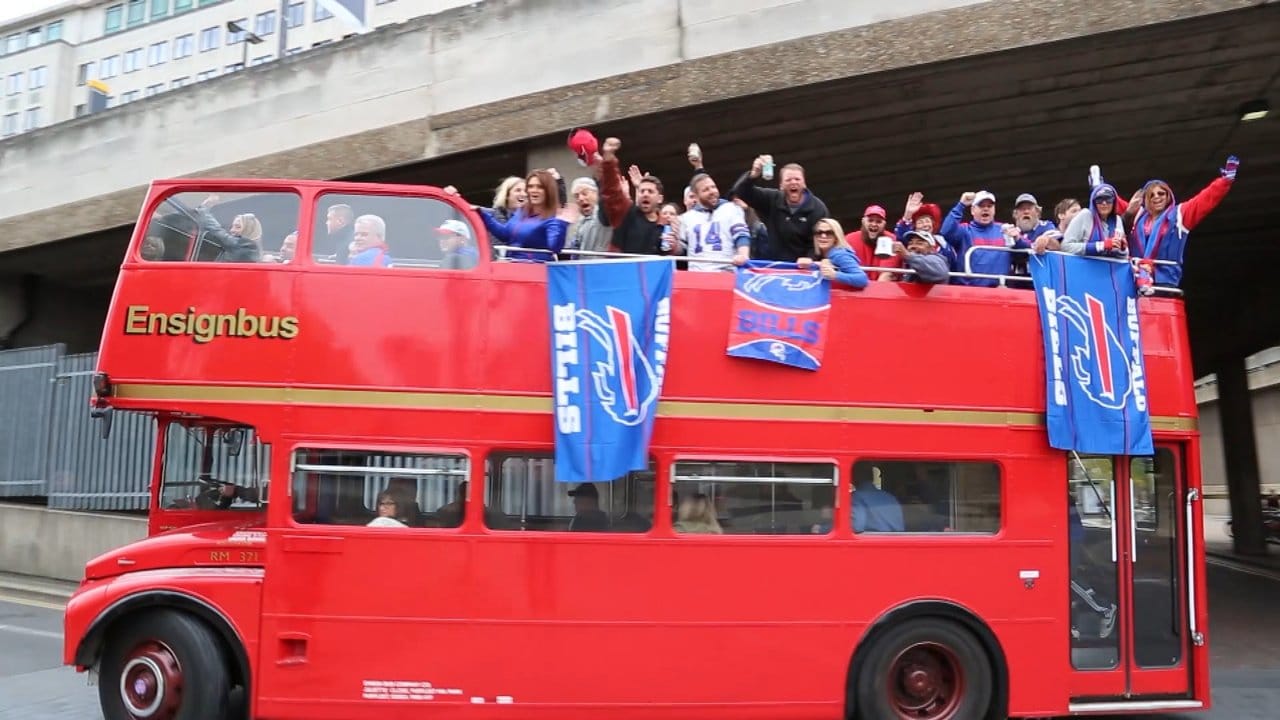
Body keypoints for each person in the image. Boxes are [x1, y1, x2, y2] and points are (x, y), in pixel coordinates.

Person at [1124, 155, 1239, 288]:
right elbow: (1110, 207)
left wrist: (1224, 182)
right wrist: (1100, 187)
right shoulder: (1137, 216)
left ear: (1168, 196)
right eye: (1151, 195)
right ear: (1146, 201)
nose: (1156, 197)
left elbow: (1204, 200)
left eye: (1161, 193)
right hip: (1135, 282)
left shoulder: (1179, 215)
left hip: (1165, 281)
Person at [479, 170, 568, 262]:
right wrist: (481, 214)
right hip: (511, 266)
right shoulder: (521, 211)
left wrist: (562, 222)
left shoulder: (551, 217)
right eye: (530, 186)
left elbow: (555, 247)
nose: (534, 190)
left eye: (540, 187)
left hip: (535, 270)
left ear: (548, 191)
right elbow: (505, 235)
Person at [796, 218, 868, 289]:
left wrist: (834, 275)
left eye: (829, 233)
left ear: (836, 237)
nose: (823, 236)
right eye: (819, 232)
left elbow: (862, 279)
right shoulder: (819, 253)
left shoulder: (840, 255)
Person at [193, 195, 262, 262]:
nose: (232, 230)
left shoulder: (246, 246)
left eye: (238, 227)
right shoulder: (250, 250)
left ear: (249, 230)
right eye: (232, 226)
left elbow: (216, 230)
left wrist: (204, 207)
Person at [852, 466, 904, 533]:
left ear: (853, 477)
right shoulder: (890, 497)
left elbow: (857, 527)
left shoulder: (857, 496)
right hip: (897, 540)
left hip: (872, 541)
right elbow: (900, 527)